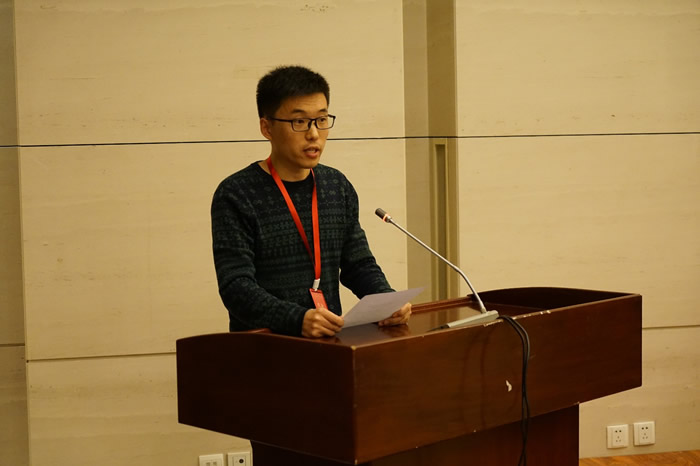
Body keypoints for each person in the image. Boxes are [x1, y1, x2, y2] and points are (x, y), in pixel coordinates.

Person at [211, 65, 411, 338]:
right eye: (300, 122)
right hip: (263, 349)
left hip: (327, 344)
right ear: (267, 127)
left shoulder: (336, 186)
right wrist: (297, 319)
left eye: (321, 119)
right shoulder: (236, 194)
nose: (314, 133)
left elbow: (358, 264)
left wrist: (386, 301)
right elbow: (236, 286)